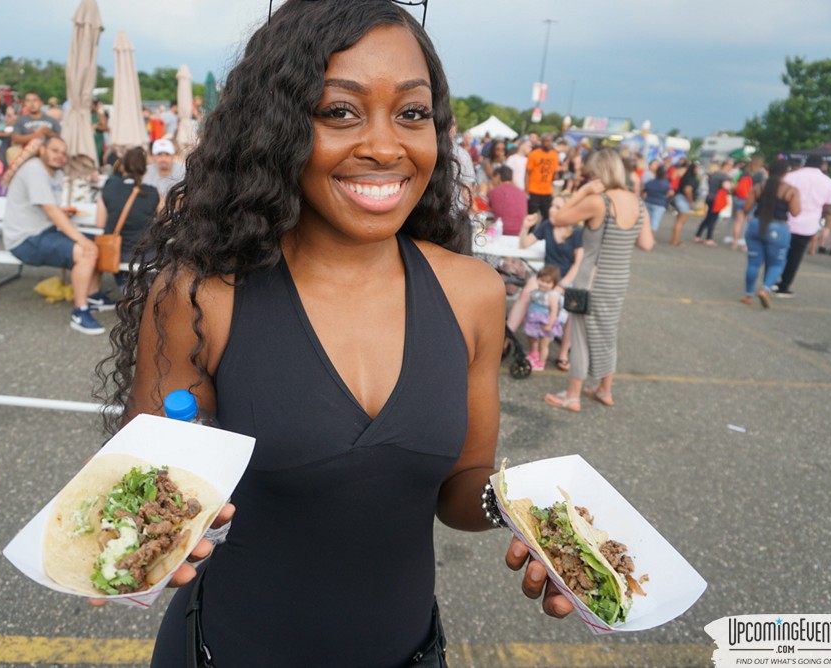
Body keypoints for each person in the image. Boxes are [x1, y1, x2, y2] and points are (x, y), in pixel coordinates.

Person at [95, 2, 573, 665]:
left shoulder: (474, 294)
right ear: (277, 128)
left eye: (412, 113)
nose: (384, 145)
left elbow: (462, 487)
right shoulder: (202, 296)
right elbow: (137, 495)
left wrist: (535, 519)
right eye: (340, 112)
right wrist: (138, 542)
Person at [544, 149, 654, 412]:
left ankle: (572, 396)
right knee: (608, 333)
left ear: (599, 174)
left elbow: (557, 219)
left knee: (580, 335)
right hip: (617, 281)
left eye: (590, 174)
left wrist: (581, 193)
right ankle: (605, 389)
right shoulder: (638, 203)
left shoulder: (599, 202)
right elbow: (647, 244)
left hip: (590, 281)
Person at [2, 135, 112, 334]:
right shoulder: (34, 169)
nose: (60, 156)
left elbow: (50, 209)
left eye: (63, 153)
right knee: (86, 250)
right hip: (24, 239)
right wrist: (81, 240)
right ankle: (80, 311)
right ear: (42, 150)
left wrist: (63, 213)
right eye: (54, 151)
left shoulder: (56, 174)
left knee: (99, 242)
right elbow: (51, 210)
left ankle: (93, 294)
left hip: (44, 231)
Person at [515, 196, 584, 372]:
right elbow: (523, 245)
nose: (552, 209)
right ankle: (508, 337)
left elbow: (578, 263)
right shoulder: (547, 225)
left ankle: (563, 354)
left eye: (558, 206)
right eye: (552, 205)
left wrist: (563, 284)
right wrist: (525, 225)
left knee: (572, 308)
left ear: (568, 210)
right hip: (546, 277)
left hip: (566, 278)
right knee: (525, 294)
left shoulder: (577, 232)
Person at [95, 146, 159, 286]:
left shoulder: (108, 187)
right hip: (146, 255)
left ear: (122, 167)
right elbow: (165, 221)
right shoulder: (154, 193)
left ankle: (125, 287)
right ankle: (146, 289)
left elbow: (100, 223)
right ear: (145, 170)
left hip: (116, 253)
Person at [740, 159, 800, 308]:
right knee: (776, 263)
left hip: (756, 226)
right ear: (786, 172)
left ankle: (748, 295)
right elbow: (795, 212)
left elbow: (746, 207)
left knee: (753, 263)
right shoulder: (791, 190)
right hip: (778, 228)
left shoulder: (759, 187)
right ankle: (765, 289)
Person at [775, 155, 831, 297]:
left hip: (786, 220)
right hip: (809, 224)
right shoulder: (828, 182)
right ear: (822, 166)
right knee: (795, 256)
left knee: (779, 253)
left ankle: (770, 280)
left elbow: (780, 196)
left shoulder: (791, 177)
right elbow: (828, 206)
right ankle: (784, 286)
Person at [508, 264, 562, 370]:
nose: (544, 284)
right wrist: (525, 316)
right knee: (531, 338)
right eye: (542, 280)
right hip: (533, 320)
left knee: (543, 344)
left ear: (554, 284)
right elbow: (530, 305)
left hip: (545, 322)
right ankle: (534, 354)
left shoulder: (551, 296)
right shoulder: (535, 292)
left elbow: (554, 311)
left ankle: (541, 362)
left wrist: (550, 324)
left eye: (548, 282)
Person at [693, 160, 732, 246]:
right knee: (713, 219)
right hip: (717, 199)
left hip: (709, 196)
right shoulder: (724, 176)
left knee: (708, 217)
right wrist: (730, 190)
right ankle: (709, 238)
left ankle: (698, 235)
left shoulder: (714, 174)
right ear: (726, 166)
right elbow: (727, 187)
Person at [525, 133, 559, 219]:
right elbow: (527, 173)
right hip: (534, 191)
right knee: (531, 217)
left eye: (551, 141)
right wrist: (526, 190)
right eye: (546, 141)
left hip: (547, 192)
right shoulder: (534, 154)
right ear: (542, 142)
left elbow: (554, 173)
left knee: (547, 217)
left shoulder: (555, 155)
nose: (549, 143)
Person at [487, 165, 527, 236]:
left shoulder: (494, 192)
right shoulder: (522, 193)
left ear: (498, 177)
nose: (492, 181)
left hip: (501, 230)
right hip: (520, 231)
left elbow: (488, 209)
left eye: (492, 178)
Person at [670, 162, 699, 246]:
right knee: (681, 220)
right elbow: (688, 189)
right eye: (697, 168)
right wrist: (691, 201)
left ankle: (675, 239)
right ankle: (675, 240)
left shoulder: (686, 176)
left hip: (679, 197)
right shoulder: (691, 178)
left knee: (680, 220)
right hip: (683, 199)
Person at [642, 164, 672, 236]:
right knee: (654, 222)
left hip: (648, 202)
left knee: (646, 221)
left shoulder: (650, 182)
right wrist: (666, 198)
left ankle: (644, 236)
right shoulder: (666, 184)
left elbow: (643, 192)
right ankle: (651, 238)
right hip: (659, 204)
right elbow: (671, 193)